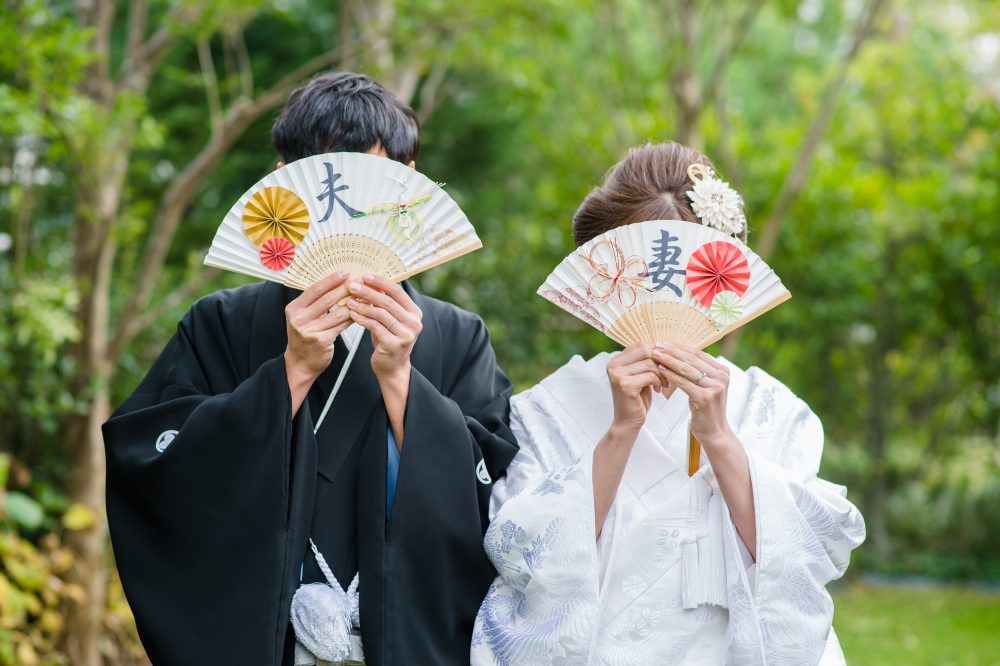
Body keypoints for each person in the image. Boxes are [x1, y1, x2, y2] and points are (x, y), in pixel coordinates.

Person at [103, 72, 518, 666]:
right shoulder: (221, 323)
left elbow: (498, 495)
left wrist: (402, 379)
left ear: (413, 192)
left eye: (381, 183)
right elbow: (155, 467)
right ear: (284, 186)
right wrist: (289, 373)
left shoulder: (456, 336)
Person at [471, 142, 866, 665]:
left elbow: (810, 554)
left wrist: (721, 440)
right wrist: (619, 433)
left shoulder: (771, 407)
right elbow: (521, 556)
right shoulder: (546, 408)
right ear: (602, 274)